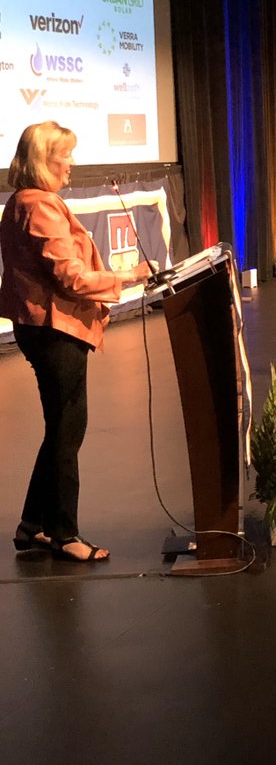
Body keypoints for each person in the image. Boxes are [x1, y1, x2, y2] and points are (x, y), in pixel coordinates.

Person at [0, 121, 155, 560]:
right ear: (43, 160)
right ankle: (65, 535)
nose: (71, 164)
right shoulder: (41, 206)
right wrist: (129, 275)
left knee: (60, 430)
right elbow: (71, 278)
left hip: (42, 329)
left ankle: (33, 526)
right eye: (65, 155)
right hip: (55, 331)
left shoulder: (22, 201)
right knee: (68, 432)